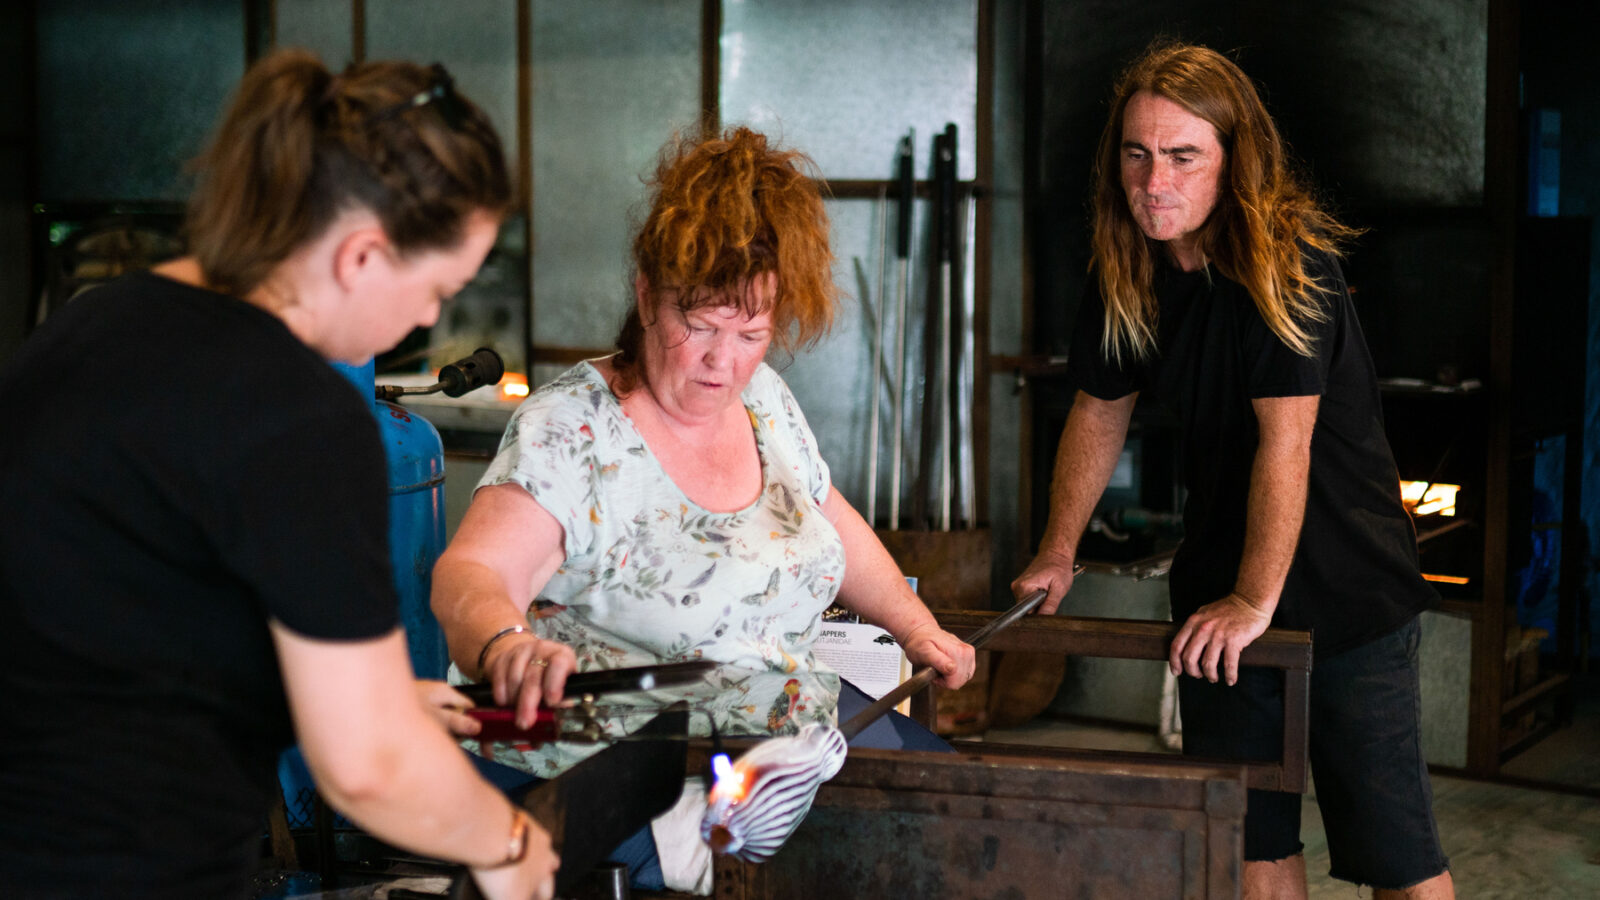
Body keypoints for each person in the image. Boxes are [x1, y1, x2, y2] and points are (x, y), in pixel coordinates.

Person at [0, 50, 558, 900]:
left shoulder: (102, 322)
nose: (427, 319)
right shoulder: (297, 411)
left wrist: (367, 696)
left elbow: (134, 619)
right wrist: (510, 843)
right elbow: (367, 771)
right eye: (437, 287)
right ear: (363, 254)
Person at [431, 125, 977, 892]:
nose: (724, 360)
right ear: (649, 296)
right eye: (701, 327)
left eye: (751, 332)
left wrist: (916, 628)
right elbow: (472, 571)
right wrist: (505, 644)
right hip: (614, 752)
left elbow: (828, 519)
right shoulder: (573, 430)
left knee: (968, 816)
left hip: (783, 717)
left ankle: (756, 797)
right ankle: (712, 825)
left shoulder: (763, 401)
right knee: (856, 863)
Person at [1012, 41, 1454, 900]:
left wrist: (1258, 603)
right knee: (1249, 845)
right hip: (1219, 603)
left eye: (1183, 156)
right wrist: (1059, 549)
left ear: (1233, 162)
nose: (1153, 181)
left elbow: (1284, 448)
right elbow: (1100, 409)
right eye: (1137, 154)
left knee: (1396, 858)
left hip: (1347, 595)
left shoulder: (1287, 273)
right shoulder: (1128, 273)